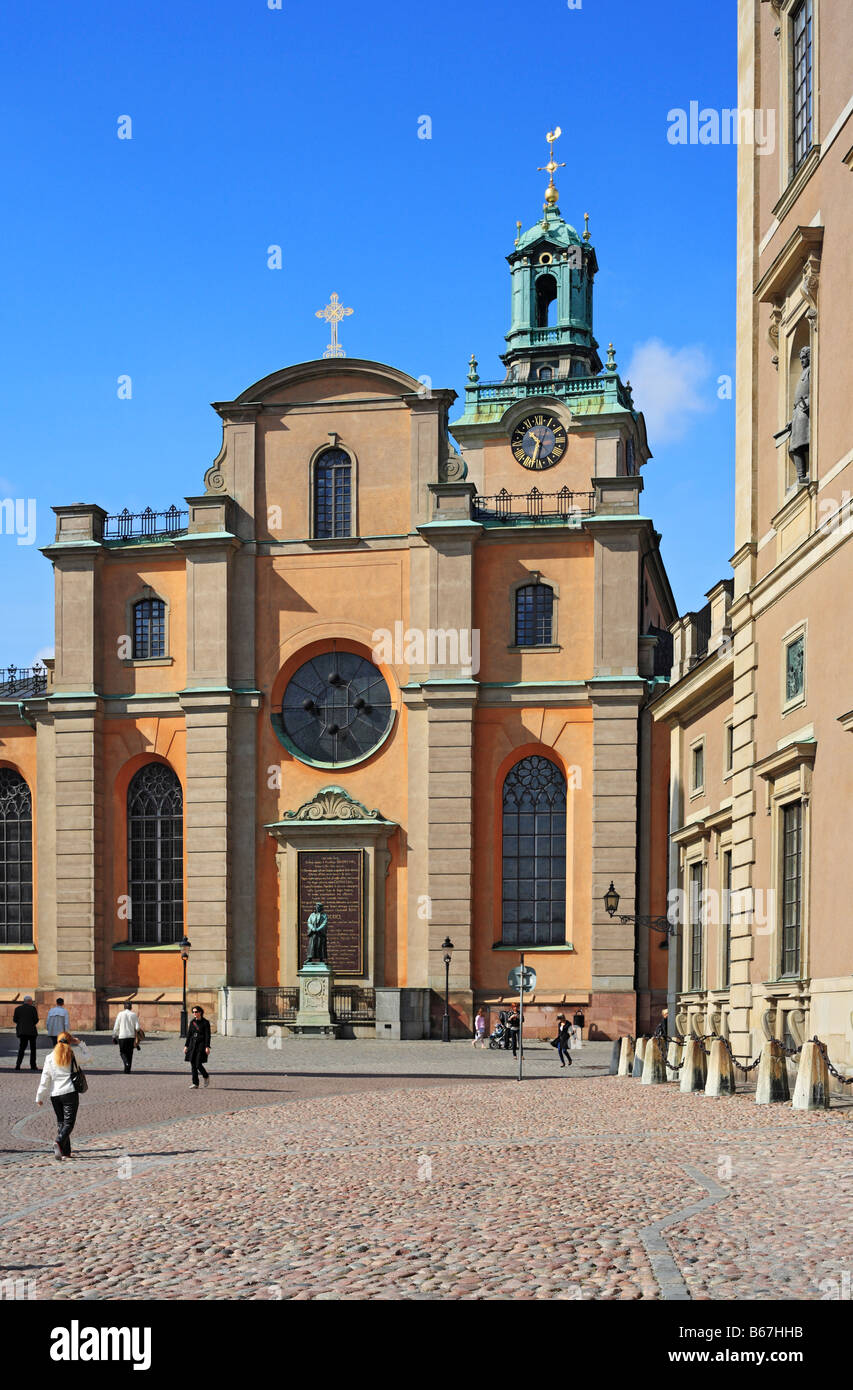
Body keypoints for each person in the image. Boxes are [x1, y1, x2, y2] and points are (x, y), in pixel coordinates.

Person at [36, 1032, 85, 1159]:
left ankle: (65, 1152)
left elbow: (45, 1078)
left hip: (55, 1095)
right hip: (69, 1093)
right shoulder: (72, 1054)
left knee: (61, 1123)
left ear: (57, 1041)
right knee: (69, 1123)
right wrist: (80, 1043)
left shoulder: (49, 1057)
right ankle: (58, 1141)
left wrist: (40, 1097)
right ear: (70, 1042)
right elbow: (89, 1057)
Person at [185, 1005, 211, 1088]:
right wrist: (186, 1046)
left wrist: (207, 1046)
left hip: (201, 1045)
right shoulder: (192, 1022)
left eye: (196, 1012)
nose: (194, 1013)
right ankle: (195, 1083)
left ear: (200, 1012)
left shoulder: (205, 1022)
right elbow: (189, 1035)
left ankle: (206, 1076)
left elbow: (208, 1035)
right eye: (193, 1012)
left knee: (198, 1064)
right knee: (192, 1064)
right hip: (193, 1044)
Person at [112, 1001, 142, 1073]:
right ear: (131, 1007)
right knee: (130, 1053)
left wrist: (114, 1036)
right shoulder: (133, 1015)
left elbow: (116, 1026)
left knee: (122, 1052)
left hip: (122, 1037)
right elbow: (137, 1027)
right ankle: (128, 1070)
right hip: (131, 1037)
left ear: (124, 1007)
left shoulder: (120, 1014)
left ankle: (126, 1063)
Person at [13, 995, 39, 1071]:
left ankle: (18, 1065)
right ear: (29, 1001)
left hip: (22, 1031)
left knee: (21, 1049)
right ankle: (33, 1066)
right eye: (31, 1001)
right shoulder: (33, 1009)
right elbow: (36, 1020)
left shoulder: (17, 1009)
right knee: (33, 1049)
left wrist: (21, 1024)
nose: (32, 1002)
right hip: (32, 1032)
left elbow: (15, 1020)